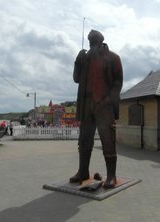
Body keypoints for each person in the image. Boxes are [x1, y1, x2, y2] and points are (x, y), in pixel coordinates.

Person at [69, 30, 123, 188]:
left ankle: (111, 175)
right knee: (84, 140)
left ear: (100, 43)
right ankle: (83, 171)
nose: (91, 46)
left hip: (104, 105)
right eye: (89, 43)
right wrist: (77, 62)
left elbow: (118, 82)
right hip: (86, 105)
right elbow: (76, 79)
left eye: (93, 43)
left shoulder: (113, 58)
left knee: (108, 140)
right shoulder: (85, 60)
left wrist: (108, 101)